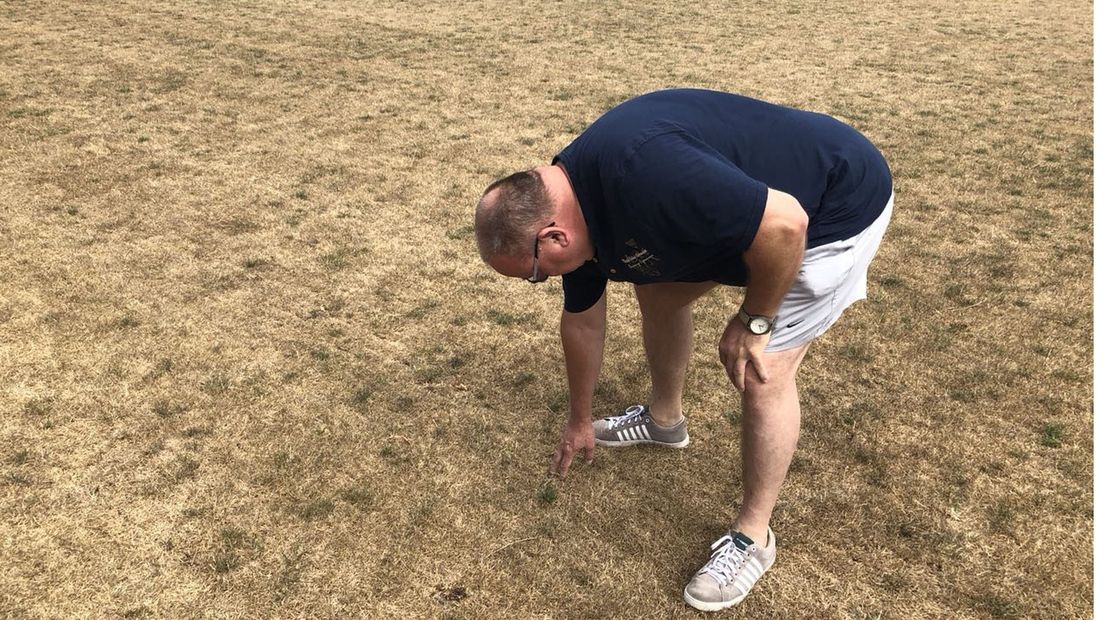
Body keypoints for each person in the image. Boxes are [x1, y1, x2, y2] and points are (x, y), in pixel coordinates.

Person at [473, 88, 893, 612]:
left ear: (554, 238)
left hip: (831, 208)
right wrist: (579, 419)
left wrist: (755, 319)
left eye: (533, 275)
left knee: (763, 370)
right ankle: (664, 421)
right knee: (656, 289)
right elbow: (582, 321)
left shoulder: (648, 175)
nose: (540, 281)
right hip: (752, 221)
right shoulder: (572, 204)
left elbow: (785, 225)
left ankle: (754, 538)